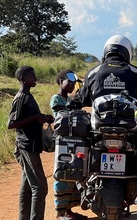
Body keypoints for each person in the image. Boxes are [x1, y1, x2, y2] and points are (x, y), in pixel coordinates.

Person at [7, 65, 54, 220]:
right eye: (32, 76)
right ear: (23, 79)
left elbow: (29, 118)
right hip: (26, 147)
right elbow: (11, 123)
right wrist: (35, 118)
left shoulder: (28, 96)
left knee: (27, 186)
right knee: (40, 187)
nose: (35, 78)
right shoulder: (21, 97)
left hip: (31, 145)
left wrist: (43, 117)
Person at [50, 69, 87, 220]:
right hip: (63, 142)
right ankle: (60, 213)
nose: (72, 85)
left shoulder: (70, 99)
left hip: (75, 142)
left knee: (74, 173)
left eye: (74, 83)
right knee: (63, 175)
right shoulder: (56, 99)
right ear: (61, 81)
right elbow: (61, 117)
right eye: (69, 82)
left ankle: (69, 211)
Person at [79, 34, 137, 110]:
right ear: (128, 51)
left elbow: (85, 100)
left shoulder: (93, 72)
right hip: (130, 119)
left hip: (99, 120)